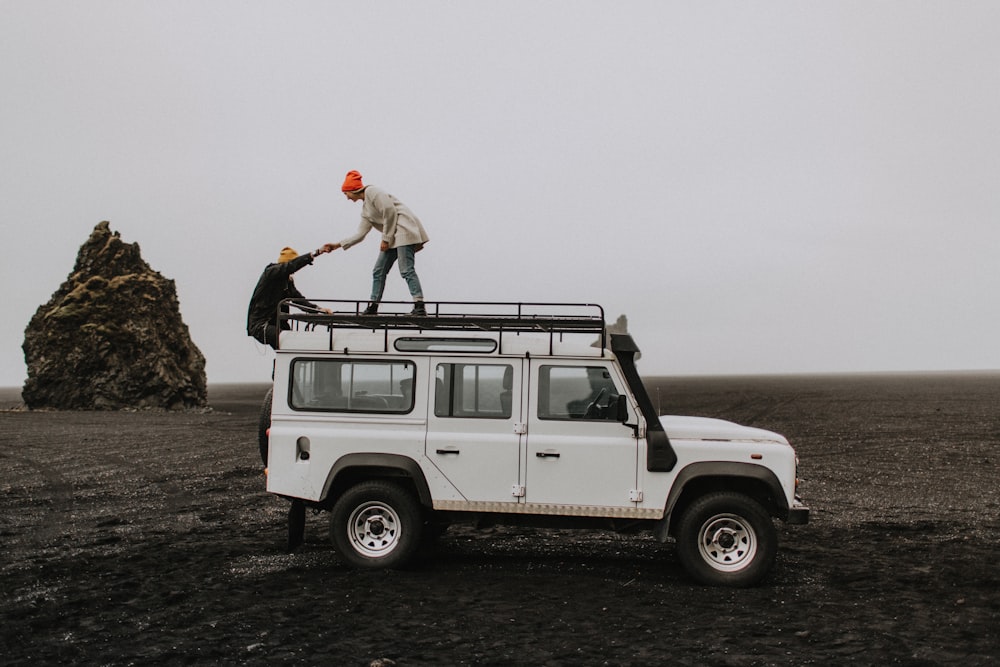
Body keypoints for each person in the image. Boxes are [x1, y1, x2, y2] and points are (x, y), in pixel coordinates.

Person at [323, 170, 430, 316]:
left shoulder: (372, 192)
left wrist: (385, 239)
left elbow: (390, 211)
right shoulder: (366, 210)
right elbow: (360, 234)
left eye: (345, 194)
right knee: (378, 270)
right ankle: (373, 306)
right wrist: (337, 245)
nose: (346, 198)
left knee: (406, 269)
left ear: (352, 190)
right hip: (393, 236)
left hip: (404, 230)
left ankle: (419, 305)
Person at [247, 246, 332, 349]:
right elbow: (291, 266)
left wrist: (318, 309)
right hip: (260, 325)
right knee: (287, 339)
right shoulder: (271, 272)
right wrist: (316, 253)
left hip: (277, 324)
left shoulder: (287, 283)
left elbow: (298, 300)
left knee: (294, 343)